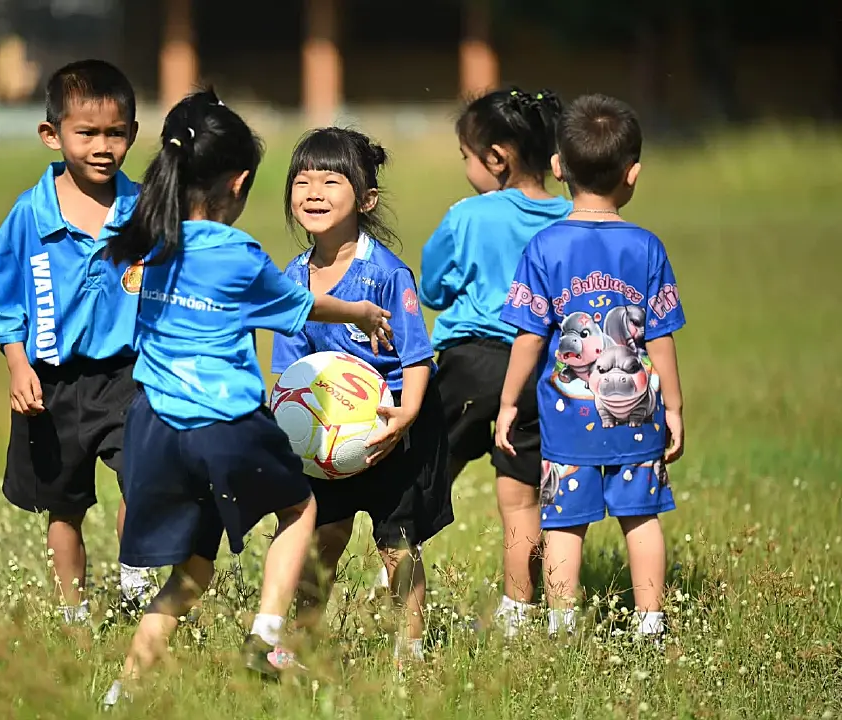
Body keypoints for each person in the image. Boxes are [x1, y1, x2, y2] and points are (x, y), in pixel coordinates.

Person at [102, 91, 395, 705]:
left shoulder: (145, 240)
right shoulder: (238, 255)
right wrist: (365, 313)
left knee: (192, 571)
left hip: (153, 427)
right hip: (225, 422)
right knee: (300, 512)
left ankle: (123, 691)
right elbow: (306, 306)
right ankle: (267, 636)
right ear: (239, 183)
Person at [495, 93, 686, 642]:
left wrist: (509, 403)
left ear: (558, 168)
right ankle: (651, 624)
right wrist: (672, 405)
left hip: (565, 422)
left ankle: (561, 624)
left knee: (563, 522)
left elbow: (529, 338)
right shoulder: (647, 247)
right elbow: (662, 336)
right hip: (638, 413)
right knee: (642, 517)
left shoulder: (544, 246)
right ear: (633, 174)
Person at [0, 59, 152, 625]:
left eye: (116, 133)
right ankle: (75, 616)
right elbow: (2, 300)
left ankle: (135, 587)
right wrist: (17, 364)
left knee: (146, 480)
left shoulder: (145, 209)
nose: (103, 146)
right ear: (52, 135)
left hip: (131, 375)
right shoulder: (29, 215)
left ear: (132, 135)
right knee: (62, 506)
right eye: (87, 132)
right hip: (51, 382)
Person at [272, 127, 453, 668]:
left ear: (366, 199)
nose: (313, 192)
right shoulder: (292, 279)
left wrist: (407, 417)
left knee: (396, 545)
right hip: (324, 437)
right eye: (302, 181)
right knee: (322, 536)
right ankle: (299, 644)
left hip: (391, 429)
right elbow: (288, 371)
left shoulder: (386, 273)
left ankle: (411, 651)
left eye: (331, 180)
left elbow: (418, 355)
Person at [417, 88, 571, 638]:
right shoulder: (573, 216)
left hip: (471, 364)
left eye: (466, 156)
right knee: (521, 495)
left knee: (420, 473)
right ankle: (517, 612)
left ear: (497, 157)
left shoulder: (469, 216)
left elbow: (432, 288)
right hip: (540, 372)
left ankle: (396, 581)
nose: (465, 169)